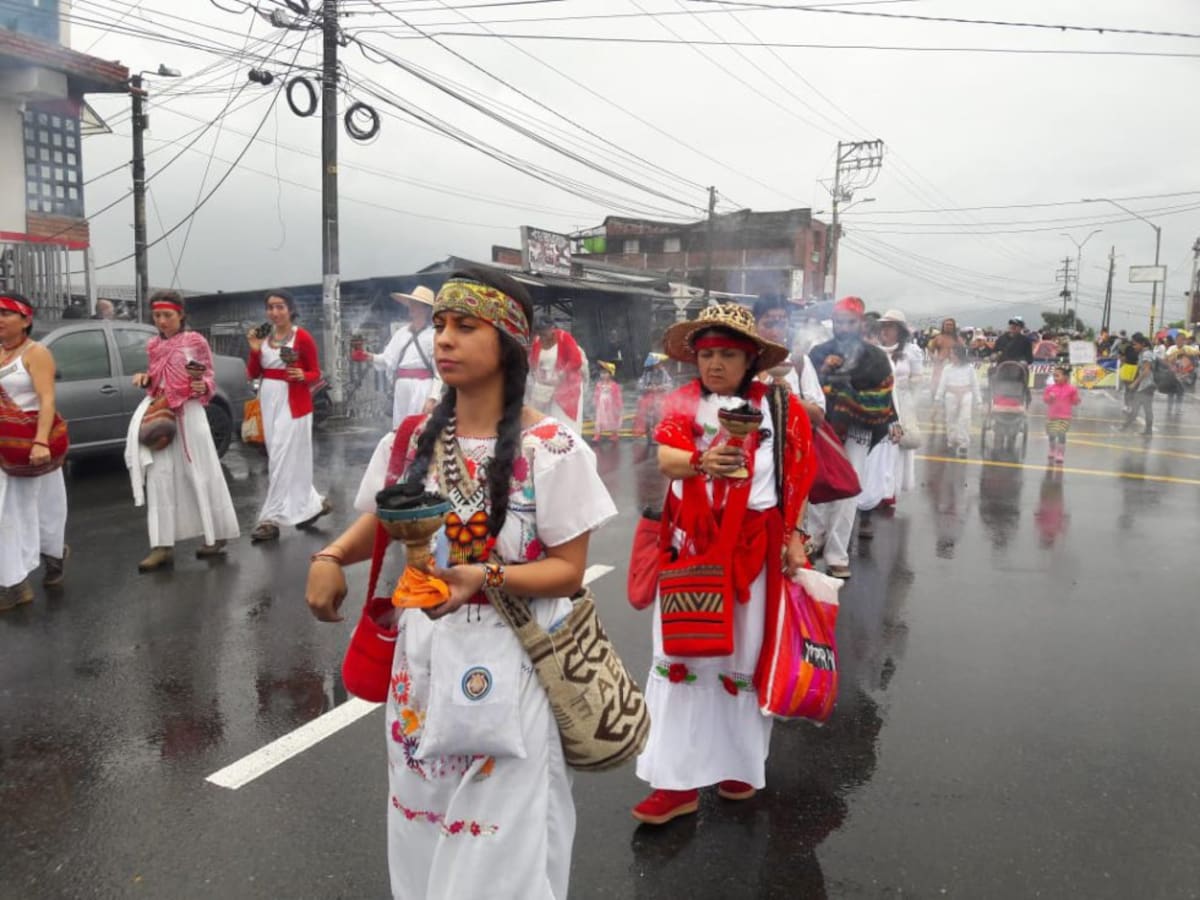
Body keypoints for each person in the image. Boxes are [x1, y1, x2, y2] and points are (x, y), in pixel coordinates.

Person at [304, 266, 616, 899]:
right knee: (422, 824)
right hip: (421, 663)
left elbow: (568, 570)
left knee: (504, 846)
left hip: (519, 660)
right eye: (440, 325)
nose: (444, 339)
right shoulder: (414, 437)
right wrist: (332, 555)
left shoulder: (552, 448)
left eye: (464, 326)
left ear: (507, 343)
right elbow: (382, 521)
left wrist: (484, 576)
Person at [633, 302, 815, 825]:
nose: (714, 364)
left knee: (745, 658)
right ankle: (675, 782)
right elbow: (666, 455)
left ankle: (739, 765)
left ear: (750, 358)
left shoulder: (783, 407)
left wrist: (796, 539)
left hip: (757, 550)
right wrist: (699, 460)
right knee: (683, 655)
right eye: (707, 353)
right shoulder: (683, 402)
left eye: (728, 354)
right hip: (691, 548)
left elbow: (797, 478)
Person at [126, 291, 239, 571]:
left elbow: (208, 376)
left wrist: (204, 387)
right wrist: (146, 379)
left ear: (181, 315)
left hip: (189, 414)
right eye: (157, 316)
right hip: (161, 413)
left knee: (201, 472)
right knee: (159, 478)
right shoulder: (153, 345)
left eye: (168, 315)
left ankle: (217, 534)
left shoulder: (195, 341)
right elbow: (156, 378)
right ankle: (161, 545)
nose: (162, 321)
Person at [806, 297, 901, 580]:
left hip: (859, 427)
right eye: (839, 322)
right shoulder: (819, 352)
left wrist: (845, 385)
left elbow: (883, 393)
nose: (843, 327)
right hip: (824, 426)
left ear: (860, 323)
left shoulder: (875, 356)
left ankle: (837, 554)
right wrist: (826, 373)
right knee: (818, 481)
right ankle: (813, 538)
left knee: (848, 488)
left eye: (850, 322)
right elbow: (810, 390)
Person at [0, 293, 68, 608]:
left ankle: (54, 558)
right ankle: (15, 584)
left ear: (26, 320)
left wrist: (41, 441)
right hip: (4, 450)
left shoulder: (36, 353)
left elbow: (47, 400)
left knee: (44, 515)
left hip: (30, 447)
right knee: (7, 516)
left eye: (5, 313)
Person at [246, 290, 330, 543]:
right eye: (271, 307)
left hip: (294, 402)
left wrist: (303, 376)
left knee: (281, 458)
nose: (275, 312)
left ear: (290, 310)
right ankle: (312, 505)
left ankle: (270, 519)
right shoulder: (263, 338)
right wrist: (253, 349)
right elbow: (252, 373)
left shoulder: (301, 337)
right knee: (279, 456)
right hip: (269, 399)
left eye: (280, 307)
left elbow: (316, 371)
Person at [357, 286, 442, 428]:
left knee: (420, 428)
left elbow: (439, 372)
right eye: (411, 304)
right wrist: (369, 356)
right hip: (402, 387)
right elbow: (387, 359)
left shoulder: (433, 335)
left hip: (422, 388)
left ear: (426, 309)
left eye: (416, 304)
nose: (411, 307)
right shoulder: (401, 333)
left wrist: (432, 398)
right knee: (400, 429)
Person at [753, 296, 826, 424]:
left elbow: (818, 415)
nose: (775, 332)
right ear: (755, 326)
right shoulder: (742, 362)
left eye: (781, 325)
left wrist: (789, 397)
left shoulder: (798, 361)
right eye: (768, 325)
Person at [875, 310, 922, 502]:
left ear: (900, 330)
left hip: (902, 401)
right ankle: (876, 489)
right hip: (880, 400)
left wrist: (910, 402)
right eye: (884, 326)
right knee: (880, 446)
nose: (886, 330)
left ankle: (891, 492)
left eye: (891, 326)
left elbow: (917, 379)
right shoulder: (876, 348)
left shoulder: (911, 351)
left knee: (897, 446)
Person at [529, 317, 585, 433]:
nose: (542, 337)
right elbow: (533, 363)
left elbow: (576, 361)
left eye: (544, 334)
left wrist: (560, 375)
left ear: (552, 328)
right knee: (547, 421)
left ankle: (569, 447)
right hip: (546, 389)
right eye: (540, 334)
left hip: (567, 388)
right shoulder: (537, 341)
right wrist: (537, 375)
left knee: (563, 422)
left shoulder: (564, 338)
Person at [934, 344, 981, 457]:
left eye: (953, 354)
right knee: (950, 419)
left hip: (966, 395)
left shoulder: (969, 368)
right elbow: (942, 384)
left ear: (959, 355)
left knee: (965, 419)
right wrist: (937, 398)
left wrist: (979, 400)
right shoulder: (947, 368)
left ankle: (963, 444)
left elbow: (975, 384)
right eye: (951, 354)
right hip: (951, 395)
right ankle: (951, 442)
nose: (951, 356)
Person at [1042, 365, 1081, 465]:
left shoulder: (1072, 389)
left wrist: (1077, 399)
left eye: (1057, 376)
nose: (1055, 378)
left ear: (1066, 377)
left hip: (1065, 417)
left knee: (1061, 434)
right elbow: (1045, 400)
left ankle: (1060, 453)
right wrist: (1050, 397)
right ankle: (1052, 450)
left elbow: (1075, 402)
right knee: (1051, 435)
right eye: (1054, 376)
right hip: (1052, 416)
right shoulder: (1050, 388)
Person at [632, 352, 672, 440]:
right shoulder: (647, 374)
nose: (660, 365)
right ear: (654, 364)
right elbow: (640, 385)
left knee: (659, 416)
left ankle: (658, 434)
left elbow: (669, 384)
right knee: (648, 417)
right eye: (658, 363)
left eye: (660, 363)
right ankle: (649, 434)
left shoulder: (664, 373)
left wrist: (660, 387)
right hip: (648, 399)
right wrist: (648, 388)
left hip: (660, 398)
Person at [1122, 332, 1156, 435]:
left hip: (1148, 385)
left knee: (1138, 406)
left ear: (1142, 344)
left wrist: (1135, 383)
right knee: (1145, 408)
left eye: (1135, 344)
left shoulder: (1146, 354)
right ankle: (1147, 430)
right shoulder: (1143, 353)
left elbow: (1146, 371)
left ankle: (1124, 427)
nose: (1134, 346)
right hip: (1146, 385)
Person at [926, 317, 963, 398]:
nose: (948, 326)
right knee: (935, 386)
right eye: (946, 324)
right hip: (940, 365)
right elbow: (929, 350)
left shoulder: (958, 339)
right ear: (943, 326)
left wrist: (957, 361)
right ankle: (935, 404)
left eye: (950, 325)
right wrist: (934, 358)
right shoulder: (937, 338)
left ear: (954, 327)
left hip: (954, 367)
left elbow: (963, 353)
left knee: (951, 388)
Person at [1165, 331, 1197, 414]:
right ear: (1175, 340)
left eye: (1182, 340)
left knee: (1180, 392)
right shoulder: (1172, 348)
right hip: (1172, 373)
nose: (1180, 341)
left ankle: (1178, 409)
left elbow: (1196, 354)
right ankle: (1169, 408)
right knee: (1171, 392)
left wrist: (1187, 353)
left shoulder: (1188, 348)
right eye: (1178, 340)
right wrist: (1177, 354)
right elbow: (1166, 359)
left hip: (1183, 374)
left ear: (1185, 341)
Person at [592, 360, 623, 443]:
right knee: (599, 419)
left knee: (612, 418)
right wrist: (595, 402)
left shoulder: (614, 385)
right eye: (602, 373)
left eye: (606, 373)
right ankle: (597, 434)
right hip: (601, 405)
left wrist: (618, 405)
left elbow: (618, 396)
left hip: (611, 404)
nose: (603, 375)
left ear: (610, 374)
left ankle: (614, 433)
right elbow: (596, 394)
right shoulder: (599, 384)